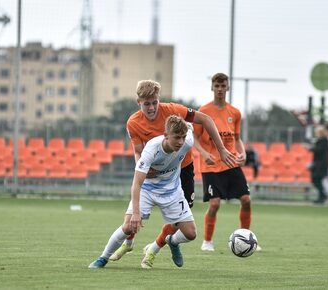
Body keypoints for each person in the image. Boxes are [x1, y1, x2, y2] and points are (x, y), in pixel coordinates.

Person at [108, 80, 236, 267]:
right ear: (139, 102)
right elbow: (137, 150)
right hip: (153, 169)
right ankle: (128, 243)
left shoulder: (173, 110)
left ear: (159, 99)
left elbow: (206, 120)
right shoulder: (133, 123)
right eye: (147, 103)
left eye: (155, 102)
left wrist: (222, 149)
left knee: (181, 217)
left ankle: (156, 247)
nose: (152, 107)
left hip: (182, 168)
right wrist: (141, 166)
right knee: (135, 209)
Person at [88, 115, 198, 269]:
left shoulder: (188, 142)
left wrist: (189, 127)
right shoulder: (152, 149)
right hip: (147, 189)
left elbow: (192, 127)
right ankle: (103, 258)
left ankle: (172, 241)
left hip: (172, 191)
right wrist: (136, 213)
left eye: (183, 137)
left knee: (191, 234)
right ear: (166, 136)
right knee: (128, 227)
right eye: (177, 137)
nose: (180, 141)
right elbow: (137, 182)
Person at [193, 72, 261, 252]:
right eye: (217, 86)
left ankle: (246, 238)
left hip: (230, 162)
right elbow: (194, 137)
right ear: (212, 88)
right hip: (211, 164)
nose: (220, 89)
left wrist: (242, 153)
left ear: (228, 87)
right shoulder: (204, 111)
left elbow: (237, 139)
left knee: (246, 199)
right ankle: (207, 241)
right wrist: (204, 153)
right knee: (214, 204)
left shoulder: (235, 113)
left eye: (223, 86)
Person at [305, 125, 328, 204]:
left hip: (321, 164)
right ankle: (322, 196)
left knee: (316, 179)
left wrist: (310, 148)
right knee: (315, 180)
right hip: (318, 163)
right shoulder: (320, 140)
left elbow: (319, 150)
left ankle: (322, 196)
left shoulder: (324, 140)